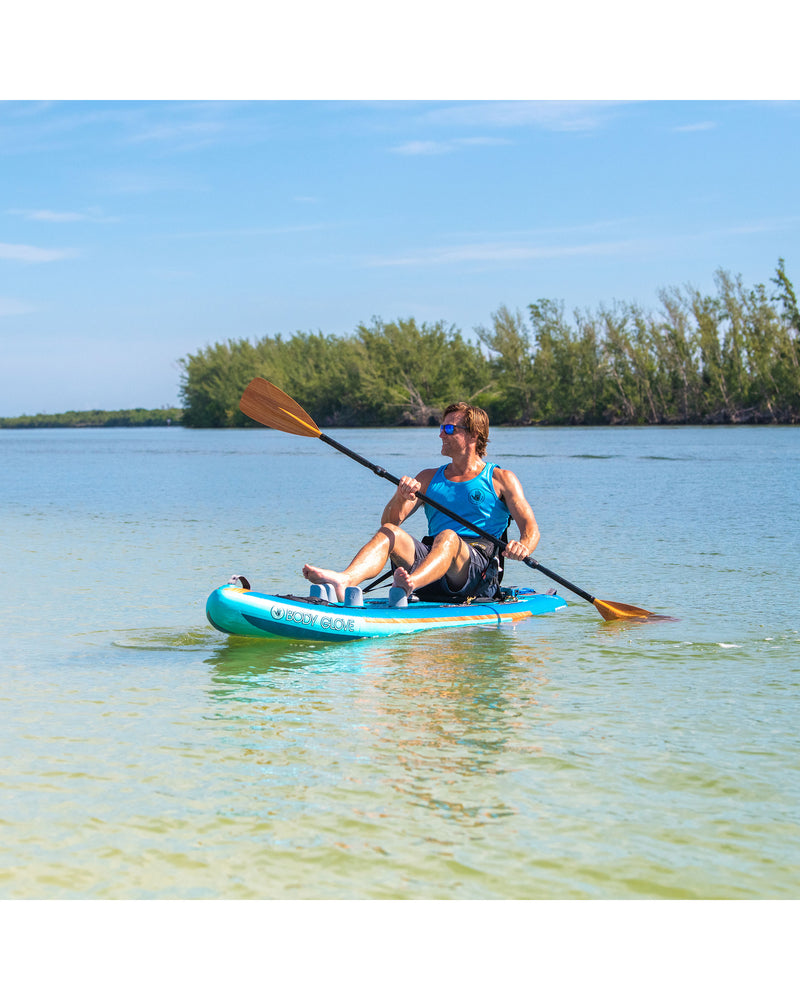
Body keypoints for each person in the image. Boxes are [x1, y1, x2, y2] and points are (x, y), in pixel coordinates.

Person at [302, 401, 540, 602]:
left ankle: (409, 584)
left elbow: (531, 530)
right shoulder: (427, 478)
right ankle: (345, 580)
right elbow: (389, 522)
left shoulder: (500, 479)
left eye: (449, 428)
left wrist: (523, 547)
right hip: (433, 565)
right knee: (389, 532)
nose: (441, 434)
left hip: (477, 575)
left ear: (473, 435)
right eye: (441, 427)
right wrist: (400, 496)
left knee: (448, 536)